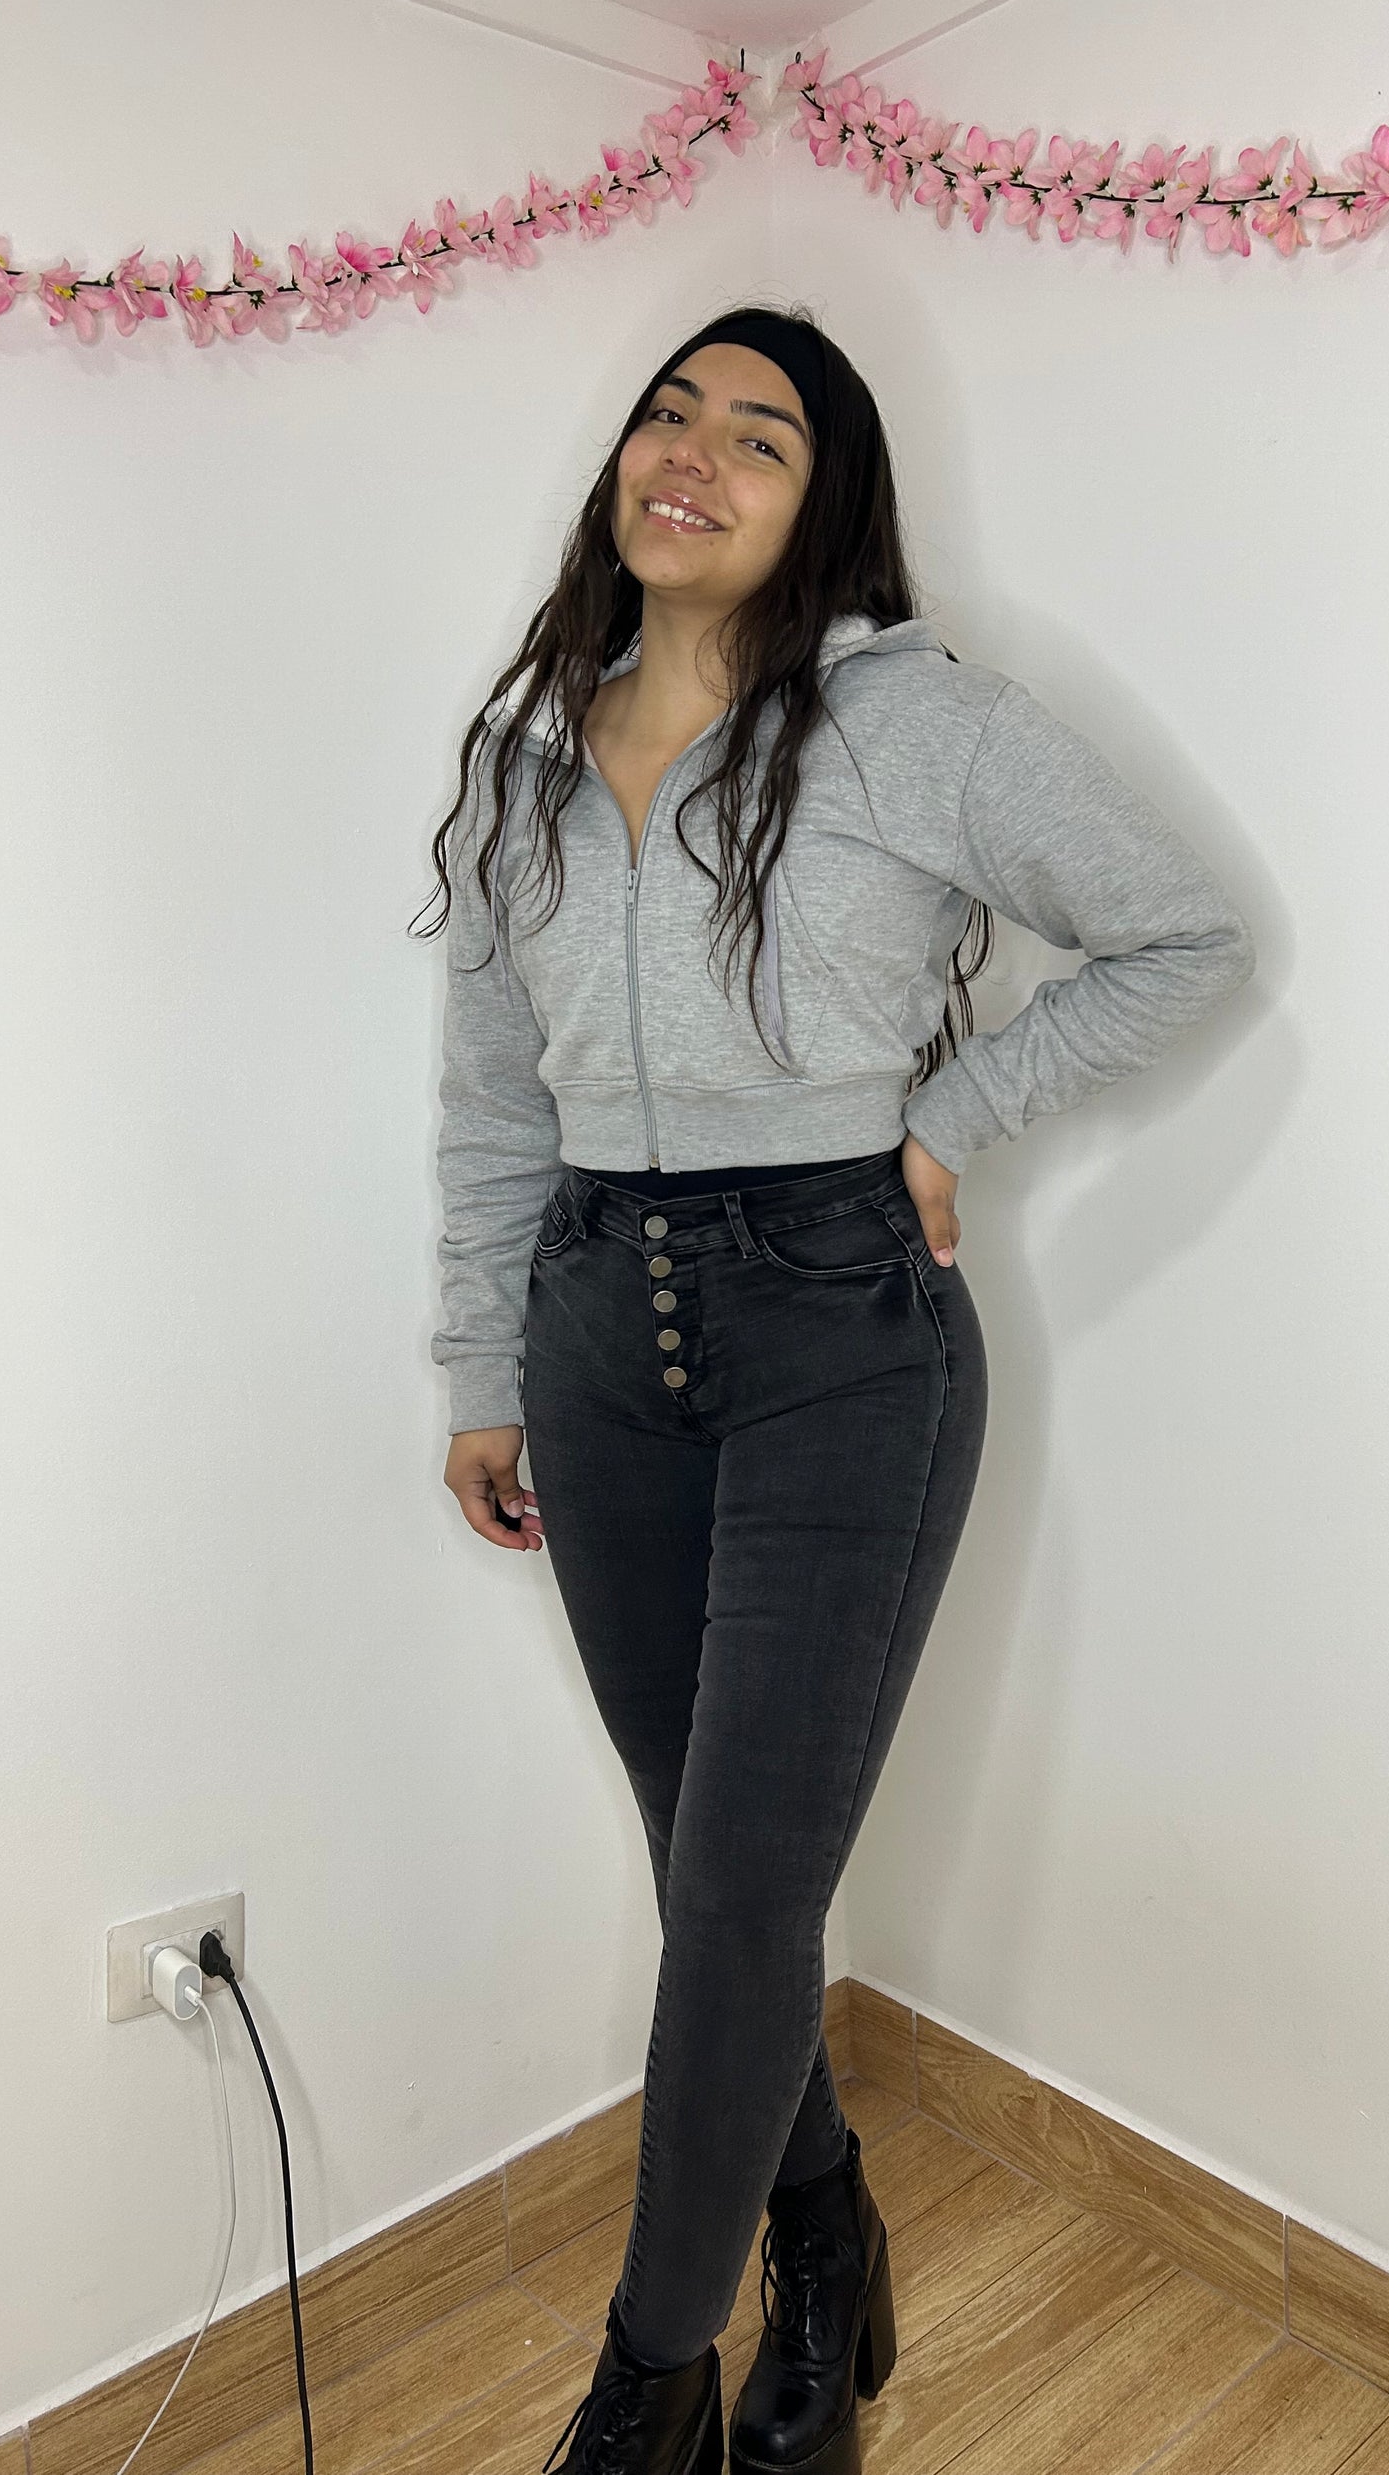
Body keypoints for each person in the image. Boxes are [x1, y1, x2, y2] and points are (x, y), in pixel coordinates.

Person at [413, 303, 1256, 2475]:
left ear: (825, 507)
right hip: (592, 1336)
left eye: (758, 435)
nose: (690, 453)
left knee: (735, 1892)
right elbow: (495, 1096)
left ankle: (646, 2393)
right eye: (666, 412)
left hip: (840, 1337)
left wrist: (952, 1114)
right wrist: (484, 1363)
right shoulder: (523, 758)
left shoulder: (909, 724)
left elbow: (1183, 934)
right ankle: (823, 2233)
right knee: (715, 1875)